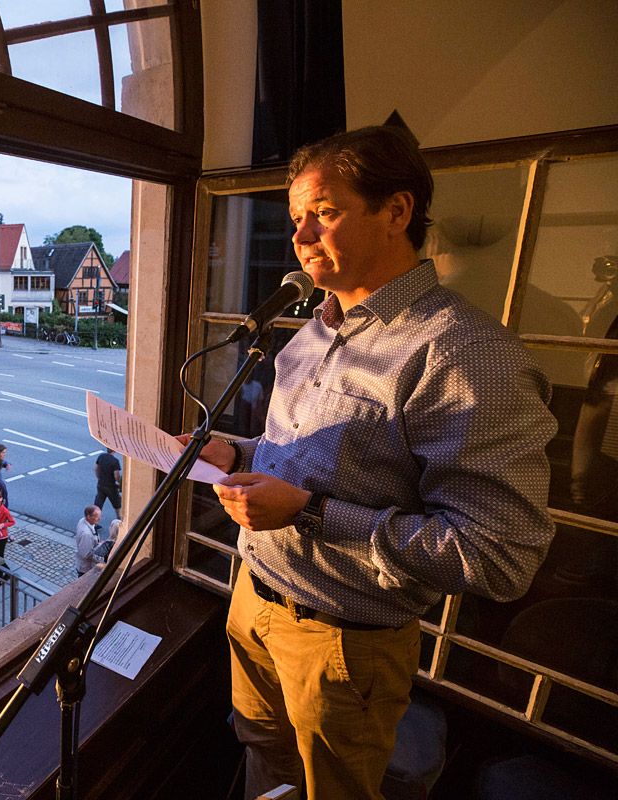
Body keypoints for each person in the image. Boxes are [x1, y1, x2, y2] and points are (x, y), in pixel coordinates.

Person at [191, 126, 557, 799]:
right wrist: (235, 454)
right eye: (297, 217)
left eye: (324, 214)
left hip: (343, 639)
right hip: (252, 598)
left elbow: (499, 556)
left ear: (397, 211)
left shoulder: (466, 352)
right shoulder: (314, 330)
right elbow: (306, 458)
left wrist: (313, 513)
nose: (301, 238)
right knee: (263, 761)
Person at [74, 505, 102, 577]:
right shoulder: (86, 534)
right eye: (96, 516)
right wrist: (100, 547)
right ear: (88, 517)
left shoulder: (83, 520)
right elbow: (86, 555)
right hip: (86, 568)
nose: (99, 518)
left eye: (100, 516)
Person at [93, 447, 122, 516]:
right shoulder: (115, 461)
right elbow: (116, 476)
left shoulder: (101, 456)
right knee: (117, 504)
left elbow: (96, 469)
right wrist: (119, 483)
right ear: (114, 450)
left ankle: (94, 522)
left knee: (98, 503)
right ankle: (120, 519)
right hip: (111, 486)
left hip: (101, 484)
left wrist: (99, 478)